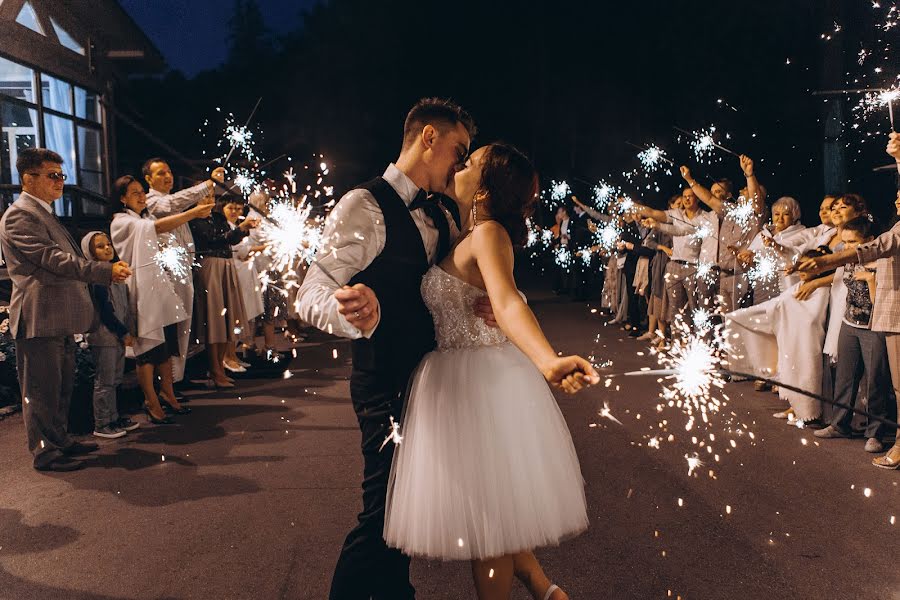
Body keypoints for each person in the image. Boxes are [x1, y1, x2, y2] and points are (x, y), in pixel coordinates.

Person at [294, 98, 491, 600]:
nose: (462, 164)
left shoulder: (444, 212)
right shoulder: (364, 204)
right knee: (381, 508)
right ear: (428, 138)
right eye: (458, 150)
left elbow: (441, 288)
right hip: (382, 380)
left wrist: (478, 305)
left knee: (407, 507)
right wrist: (349, 312)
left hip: (429, 381)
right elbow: (311, 291)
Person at [384, 142, 598, 600]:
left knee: (489, 523)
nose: (460, 165)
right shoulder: (462, 231)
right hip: (454, 379)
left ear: (484, 189)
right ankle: (545, 590)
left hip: (480, 382)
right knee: (489, 512)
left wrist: (548, 360)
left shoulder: (487, 234)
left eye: (471, 162)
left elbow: (507, 301)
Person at [0, 148, 131, 471]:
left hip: (56, 317)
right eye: (52, 176)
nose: (60, 182)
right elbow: (52, 260)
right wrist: (104, 270)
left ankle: (59, 439)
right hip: (38, 317)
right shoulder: (20, 215)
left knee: (61, 385)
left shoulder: (43, 212)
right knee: (41, 389)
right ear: (28, 179)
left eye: (62, 176)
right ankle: (45, 452)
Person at [798, 132, 900, 468]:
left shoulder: (881, 239)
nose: (898, 200)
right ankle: (843, 423)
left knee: (881, 382)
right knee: (861, 378)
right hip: (856, 319)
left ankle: (882, 433)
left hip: (881, 317)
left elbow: (872, 251)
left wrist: (831, 260)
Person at [110, 175, 206, 424]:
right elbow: (157, 229)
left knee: (165, 349)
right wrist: (192, 213)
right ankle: (151, 401)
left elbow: (162, 237)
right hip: (140, 290)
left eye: (142, 192)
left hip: (160, 287)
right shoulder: (121, 221)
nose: (141, 196)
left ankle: (168, 393)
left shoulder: (145, 217)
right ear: (122, 199)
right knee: (147, 351)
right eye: (134, 193)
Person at [143, 158, 225, 382]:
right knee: (172, 328)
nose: (167, 176)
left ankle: (175, 380)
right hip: (167, 273)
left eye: (169, 171)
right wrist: (208, 184)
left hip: (182, 270)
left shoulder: (172, 201)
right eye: (160, 173)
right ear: (148, 179)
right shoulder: (153, 201)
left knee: (182, 328)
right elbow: (175, 203)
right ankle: (168, 382)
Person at [813, 217, 890, 452]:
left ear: (868, 241)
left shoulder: (882, 263)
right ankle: (839, 424)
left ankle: (875, 433)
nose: (846, 247)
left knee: (875, 380)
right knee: (846, 376)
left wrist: (871, 279)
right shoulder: (848, 259)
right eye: (844, 242)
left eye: (852, 242)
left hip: (873, 326)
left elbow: (883, 304)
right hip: (849, 322)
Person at [190, 196, 258, 388]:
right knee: (215, 321)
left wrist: (243, 229)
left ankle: (220, 366)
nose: (209, 200)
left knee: (225, 321)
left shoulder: (217, 218)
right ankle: (215, 370)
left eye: (211, 196)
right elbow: (213, 240)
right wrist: (240, 228)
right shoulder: (195, 221)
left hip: (226, 266)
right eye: (204, 197)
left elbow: (232, 239)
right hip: (211, 266)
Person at [80, 231, 140, 439]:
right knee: (105, 380)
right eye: (100, 246)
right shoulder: (97, 280)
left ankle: (114, 417)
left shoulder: (115, 276)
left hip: (116, 335)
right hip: (104, 335)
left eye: (108, 244)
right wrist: (123, 332)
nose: (107, 248)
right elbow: (105, 311)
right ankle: (103, 423)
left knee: (114, 378)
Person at [223, 197, 264, 372]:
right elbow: (240, 251)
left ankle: (233, 355)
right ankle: (228, 357)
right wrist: (266, 246)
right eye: (231, 207)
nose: (235, 212)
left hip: (245, 273)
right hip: (236, 273)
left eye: (238, 209)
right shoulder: (228, 229)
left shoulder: (236, 227)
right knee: (234, 317)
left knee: (240, 317)